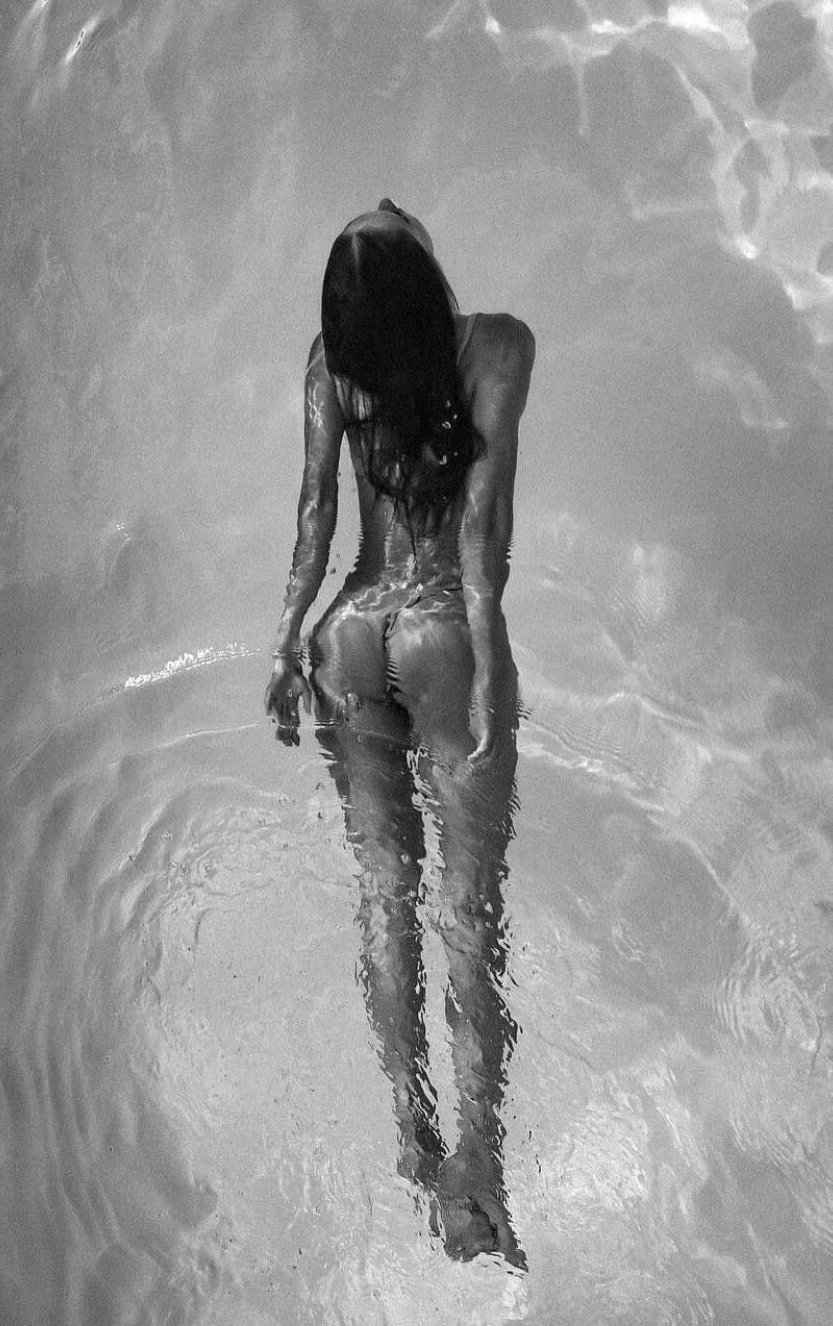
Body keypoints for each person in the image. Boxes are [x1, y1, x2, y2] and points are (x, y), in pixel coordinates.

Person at [264, 199, 535, 1268]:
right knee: (465, 912)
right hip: (438, 633)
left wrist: (285, 643)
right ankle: (479, 1171)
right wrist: (489, 671)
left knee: (385, 892)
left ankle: (411, 1138)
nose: (383, 203)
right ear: (425, 282)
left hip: (349, 635)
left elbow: (313, 516)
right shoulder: (496, 347)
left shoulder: (333, 365)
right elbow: (478, 532)